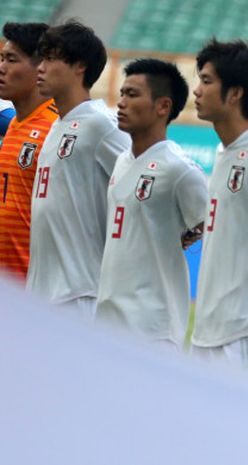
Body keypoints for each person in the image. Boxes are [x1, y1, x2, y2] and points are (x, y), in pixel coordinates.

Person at [94, 59, 207, 349]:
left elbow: (209, 224)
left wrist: (179, 240)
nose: (120, 103)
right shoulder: (121, 160)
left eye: (132, 95)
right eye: (121, 93)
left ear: (163, 106)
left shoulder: (179, 170)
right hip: (107, 319)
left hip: (152, 327)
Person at [26, 21, 129, 317]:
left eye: (50, 58)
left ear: (79, 67)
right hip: (44, 293)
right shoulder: (57, 125)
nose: (40, 68)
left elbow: (149, 176)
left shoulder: (102, 125)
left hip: (79, 294)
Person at [189, 39, 248, 368]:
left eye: (207, 81)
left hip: (242, 331)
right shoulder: (225, 151)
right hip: (208, 327)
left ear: (235, 93)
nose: (197, 91)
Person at [0, 22, 58, 282]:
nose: (1, 68)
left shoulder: (58, 130)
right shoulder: (14, 124)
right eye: (1, 58)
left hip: (36, 294)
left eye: (11, 60)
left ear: (41, 68)